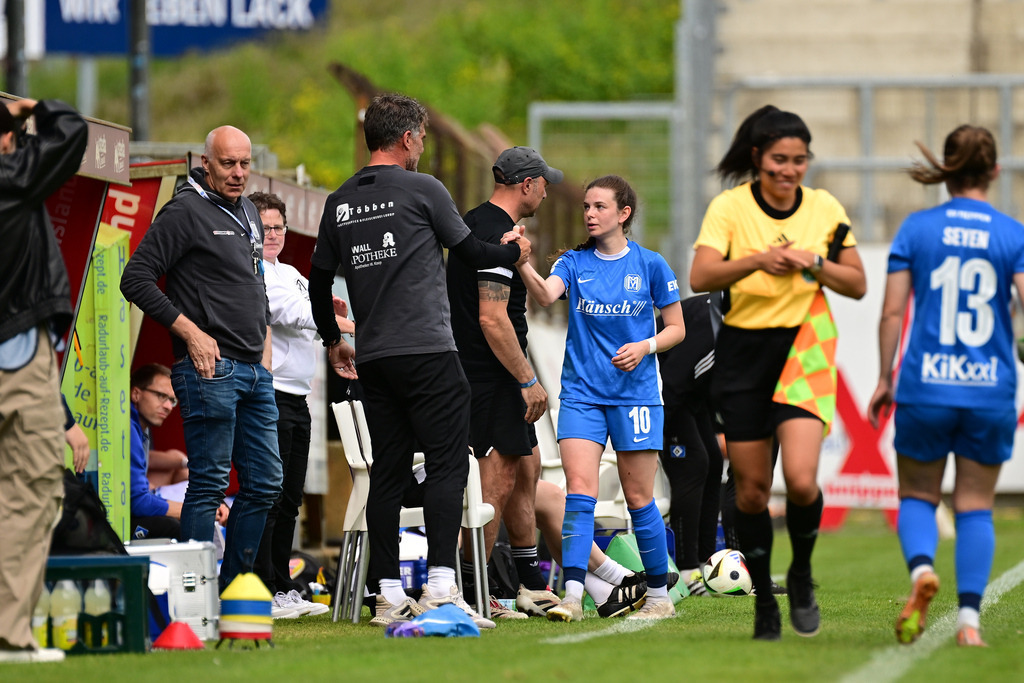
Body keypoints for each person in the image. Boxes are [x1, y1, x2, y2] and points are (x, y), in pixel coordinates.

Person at [307, 93, 530, 629]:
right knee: (449, 464)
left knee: (386, 473)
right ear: (406, 138)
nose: (425, 147)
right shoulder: (424, 188)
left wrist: (333, 338)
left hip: (376, 359)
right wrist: (513, 252)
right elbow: (473, 253)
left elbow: (318, 279)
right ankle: (440, 586)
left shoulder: (338, 201)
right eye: (423, 138)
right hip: (430, 351)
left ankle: (385, 592)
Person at [689, 105, 866, 640]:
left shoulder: (825, 208)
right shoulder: (730, 207)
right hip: (744, 354)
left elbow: (856, 283)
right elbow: (700, 273)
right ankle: (765, 598)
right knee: (749, 492)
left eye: (799, 161)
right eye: (779, 162)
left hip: (805, 348)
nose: (790, 172)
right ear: (757, 160)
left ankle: (803, 573)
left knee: (805, 480)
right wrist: (756, 260)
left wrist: (814, 262)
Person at [867, 125, 1022, 648]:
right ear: (995, 172)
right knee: (975, 503)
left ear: (948, 172)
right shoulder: (1012, 234)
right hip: (989, 391)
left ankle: (920, 574)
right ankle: (970, 624)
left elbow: (892, 311)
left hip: (925, 386)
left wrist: (886, 377)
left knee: (917, 494)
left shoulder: (917, 229)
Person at [515, 174, 686, 622]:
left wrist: (645, 346)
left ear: (623, 214)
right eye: (586, 207)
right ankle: (573, 595)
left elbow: (677, 328)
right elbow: (547, 295)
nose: (589, 214)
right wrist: (523, 263)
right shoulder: (573, 263)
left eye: (599, 207)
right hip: (581, 396)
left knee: (638, 498)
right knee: (580, 495)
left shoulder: (651, 265)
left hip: (637, 399)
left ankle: (658, 597)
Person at [120, 125, 283, 590]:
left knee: (266, 484)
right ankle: (191, 597)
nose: (238, 173)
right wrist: (190, 332)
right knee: (209, 483)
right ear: (205, 162)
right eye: (228, 164)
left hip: (254, 371)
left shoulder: (250, 210)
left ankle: (233, 589)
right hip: (210, 369)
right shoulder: (184, 211)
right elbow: (135, 279)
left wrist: (264, 356)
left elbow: (256, 289)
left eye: (245, 164)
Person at [445, 146, 562, 619]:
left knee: (527, 468)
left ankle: (529, 583)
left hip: (486, 371)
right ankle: (474, 592)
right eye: (544, 182)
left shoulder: (482, 222)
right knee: (494, 483)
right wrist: (528, 378)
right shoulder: (495, 232)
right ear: (527, 185)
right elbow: (493, 319)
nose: (548, 190)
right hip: (490, 374)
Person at [0, 97, 88, 664]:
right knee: (31, 493)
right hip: (16, 352)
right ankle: (8, 634)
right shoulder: (14, 175)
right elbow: (71, 132)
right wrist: (35, 107)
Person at [248, 190, 347, 619]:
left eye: (278, 227)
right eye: (265, 227)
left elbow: (308, 306)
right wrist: (336, 320)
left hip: (299, 394)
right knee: (267, 494)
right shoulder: (252, 271)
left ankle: (283, 584)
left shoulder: (289, 271)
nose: (272, 234)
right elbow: (288, 312)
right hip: (269, 392)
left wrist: (329, 310)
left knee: (290, 497)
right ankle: (261, 585)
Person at [656, 292, 725, 596]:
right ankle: (687, 569)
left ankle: (708, 563)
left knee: (713, 460)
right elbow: (674, 381)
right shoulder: (708, 330)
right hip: (664, 395)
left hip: (692, 396)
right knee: (694, 463)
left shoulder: (736, 315)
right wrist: (663, 432)